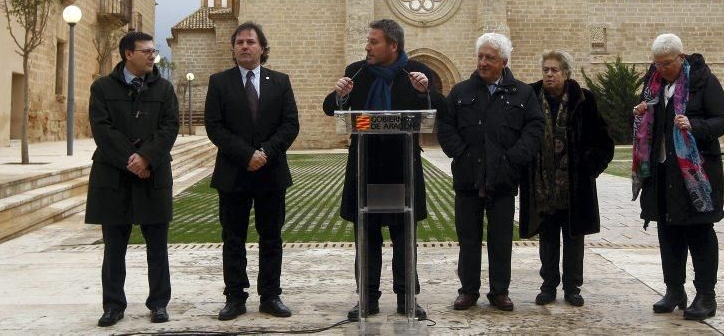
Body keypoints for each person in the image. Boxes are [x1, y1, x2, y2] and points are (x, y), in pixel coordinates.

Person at [322, 19, 443, 321]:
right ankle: (367, 298)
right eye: (368, 41)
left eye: (374, 42)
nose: (367, 47)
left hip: (402, 168)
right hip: (366, 167)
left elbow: (436, 108)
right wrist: (341, 95)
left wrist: (422, 93)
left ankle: (406, 299)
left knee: (405, 237)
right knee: (367, 236)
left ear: (393, 45)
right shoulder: (356, 72)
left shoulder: (417, 73)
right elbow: (330, 107)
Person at [437, 33, 544, 312]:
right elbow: (445, 126)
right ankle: (468, 291)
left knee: (501, 240)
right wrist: (461, 154)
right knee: (468, 239)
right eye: (480, 56)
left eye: (490, 58)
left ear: (504, 62)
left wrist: (512, 160)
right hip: (468, 177)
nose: (483, 62)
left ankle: (499, 292)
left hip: (503, 179)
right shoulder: (460, 92)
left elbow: (534, 129)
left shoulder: (522, 93)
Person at [632, 33, 724, 321]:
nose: (661, 69)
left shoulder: (703, 81)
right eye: (657, 64)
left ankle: (705, 296)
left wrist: (695, 125)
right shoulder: (652, 86)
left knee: (699, 233)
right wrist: (639, 114)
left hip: (696, 175)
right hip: (662, 172)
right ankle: (674, 290)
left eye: (666, 63)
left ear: (681, 57)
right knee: (668, 233)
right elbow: (647, 125)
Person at [205, 21, 299, 320]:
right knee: (233, 238)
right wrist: (247, 155)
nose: (245, 46)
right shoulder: (219, 82)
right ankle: (235, 297)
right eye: (240, 42)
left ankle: (270, 296)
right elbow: (214, 126)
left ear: (262, 48)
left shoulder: (280, 81)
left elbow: (290, 124)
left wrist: (265, 153)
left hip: (271, 173)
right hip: (233, 173)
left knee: (271, 237)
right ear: (233, 48)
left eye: (251, 42)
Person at [86, 31, 179, 327]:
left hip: (154, 175)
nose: (153, 55)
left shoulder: (164, 89)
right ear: (128, 54)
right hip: (114, 176)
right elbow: (102, 129)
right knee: (114, 246)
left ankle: (159, 303)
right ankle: (113, 305)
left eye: (154, 51)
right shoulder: (101, 88)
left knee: (157, 245)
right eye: (147, 51)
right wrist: (133, 160)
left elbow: (169, 126)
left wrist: (147, 157)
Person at [519, 50, 614, 307]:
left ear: (566, 73)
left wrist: (589, 168)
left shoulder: (585, 100)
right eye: (546, 70)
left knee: (574, 239)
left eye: (554, 70)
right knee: (547, 238)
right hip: (541, 184)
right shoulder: (530, 98)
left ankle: (573, 288)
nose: (549, 75)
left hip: (574, 186)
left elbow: (604, 140)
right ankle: (548, 286)